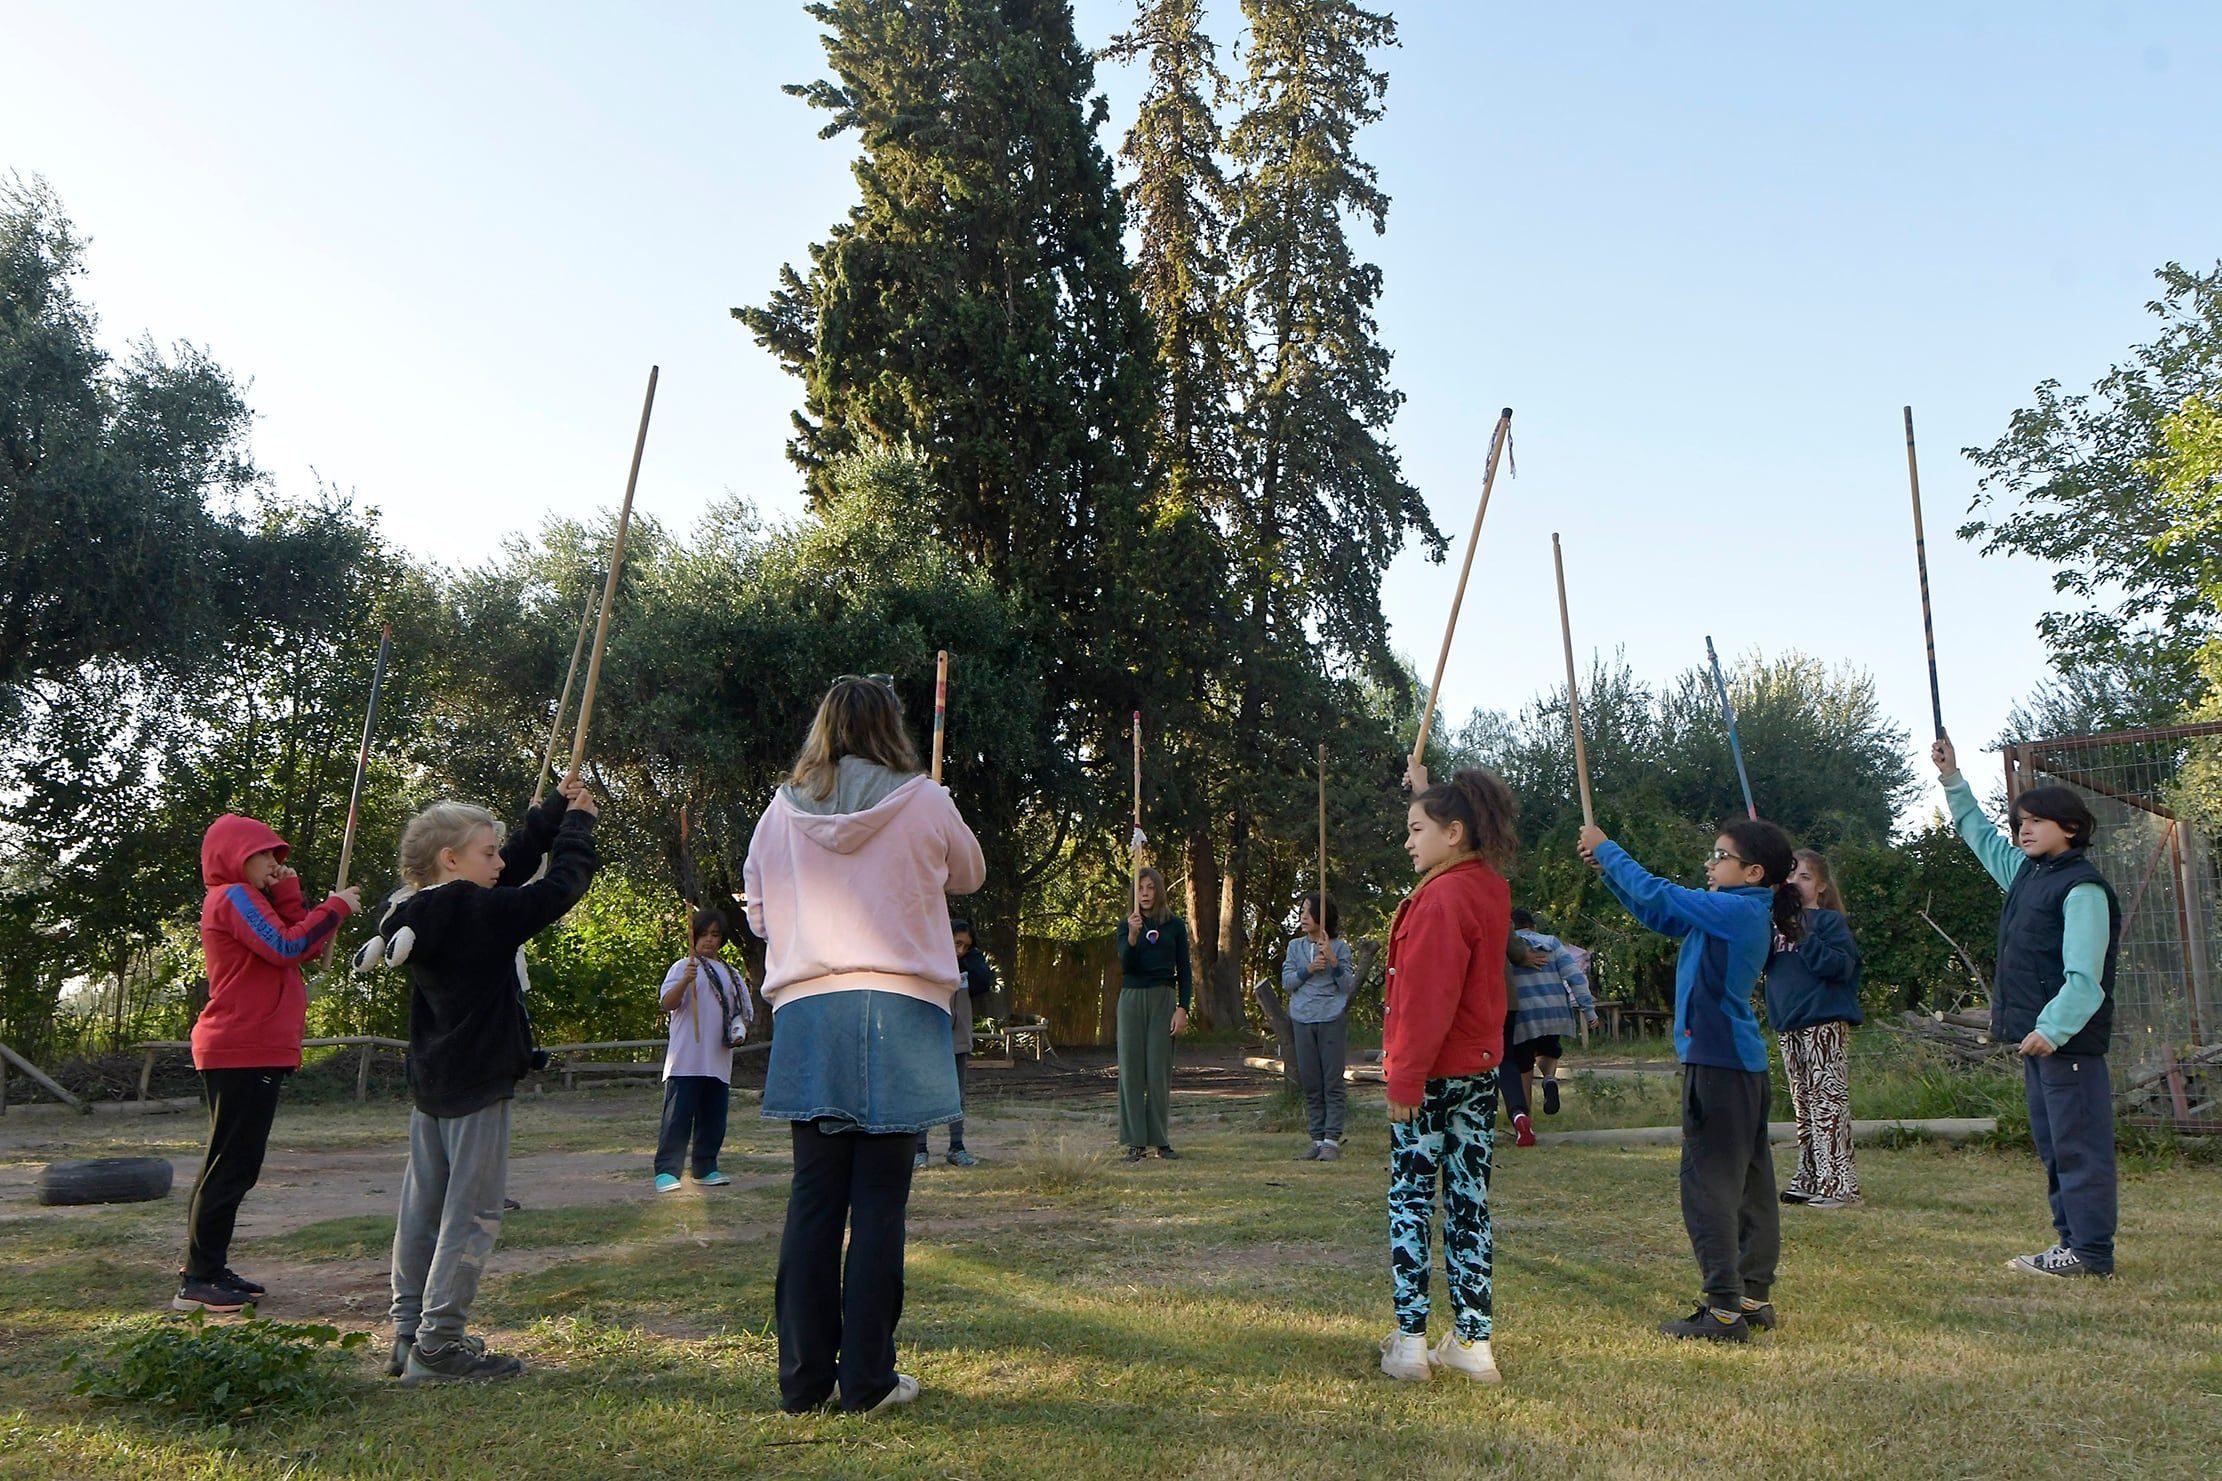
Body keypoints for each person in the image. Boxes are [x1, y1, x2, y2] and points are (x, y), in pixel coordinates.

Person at [746, 676, 985, 1414]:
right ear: (891, 728)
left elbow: (757, 915)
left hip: (811, 1009)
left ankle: (802, 1381)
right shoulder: (924, 798)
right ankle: (869, 1380)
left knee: (814, 1196)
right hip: (902, 1006)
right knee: (880, 1197)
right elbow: (970, 874)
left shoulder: (779, 811)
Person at [378, 776, 599, 1383]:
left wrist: (550, 812)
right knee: (472, 1214)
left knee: (422, 1210)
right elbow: (555, 890)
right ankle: (439, 1345)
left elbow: (510, 872)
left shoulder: (411, 908)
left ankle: (407, 1334)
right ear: (452, 860)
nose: (501, 863)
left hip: (434, 1081)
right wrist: (578, 827)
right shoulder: (478, 912)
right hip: (477, 1082)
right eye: (488, 852)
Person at [1579, 816, 1796, 1342]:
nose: (1710, 862)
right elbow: (1660, 912)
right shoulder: (1733, 910)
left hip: (1718, 1065)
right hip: (1735, 1064)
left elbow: (1661, 891)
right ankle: (1750, 1296)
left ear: (1753, 871)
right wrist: (1607, 871)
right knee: (1749, 1184)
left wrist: (1609, 849)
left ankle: (1723, 1311)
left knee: (1709, 1188)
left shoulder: (1737, 911)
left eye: (1720, 856)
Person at [1933, 736, 2120, 1279]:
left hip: (2066, 1044)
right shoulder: (2027, 876)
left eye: (2037, 820)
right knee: (2056, 1147)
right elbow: (1979, 835)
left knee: (2079, 1149)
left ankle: (2090, 1253)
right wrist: (1953, 779)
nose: (2023, 829)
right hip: (2042, 1043)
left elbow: (2085, 980)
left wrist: (2053, 1029)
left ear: (2072, 829)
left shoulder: (2083, 889)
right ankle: (2074, 1245)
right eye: (2020, 821)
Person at [174, 815, 360, 1313]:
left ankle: (205, 1265)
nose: (274, 864)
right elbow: (287, 946)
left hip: (254, 1047)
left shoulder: (249, 898)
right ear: (238, 855)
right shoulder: (232, 897)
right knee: (231, 1166)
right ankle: (200, 1276)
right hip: (241, 1046)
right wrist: (336, 907)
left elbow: (301, 942)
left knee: (232, 1163)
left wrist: (291, 890)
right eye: (266, 856)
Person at [1379, 761, 1518, 1386]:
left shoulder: (1439, 899)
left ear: (1455, 831)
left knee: (1411, 1200)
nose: (1408, 840)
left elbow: (1425, 998)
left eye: (1416, 828)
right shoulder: (1488, 887)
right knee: (1468, 1202)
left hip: (1430, 1077)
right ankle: (1473, 1341)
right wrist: (1423, 788)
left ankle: (1410, 1343)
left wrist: (1404, 1079)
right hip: (1478, 1074)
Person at [1767, 851, 1864, 1210]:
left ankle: (1840, 1184)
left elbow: (1839, 966)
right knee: (1804, 1105)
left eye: (1805, 877)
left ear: (1821, 886)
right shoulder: (1774, 924)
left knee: (1828, 1105)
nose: (1796, 882)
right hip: (1788, 1023)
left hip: (1823, 1021)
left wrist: (1801, 932)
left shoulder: (1828, 923)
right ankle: (1809, 1175)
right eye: (1790, 876)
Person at [654, 907, 751, 1192]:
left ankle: (705, 1167)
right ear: (693, 937)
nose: (709, 940)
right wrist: (686, 979)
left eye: (715, 935)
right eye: (704, 934)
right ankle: (667, 1171)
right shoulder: (683, 967)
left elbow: (743, 1013)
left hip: (718, 1059)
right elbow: (667, 1003)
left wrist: (740, 1029)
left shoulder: (731, 974)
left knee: (713, 1119)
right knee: (678, 1118)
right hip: (686, 1059)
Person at [1117, 866, 1192, 1161]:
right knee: (1132, 1070)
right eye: (1140, 889)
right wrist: (1133, 937)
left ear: (1158, 891)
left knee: (1158, 1070)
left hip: (1163, 997)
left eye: (1150, 888)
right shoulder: (1127, 925)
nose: (1145, 894)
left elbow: (1184, 969)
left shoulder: (1174, 926)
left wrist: (1183, 1008)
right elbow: (1126, 965)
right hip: (1132, 997)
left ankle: (1160, 1139)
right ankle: (1135, 1141)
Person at [1281, 892, 1357, 1161]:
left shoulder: (1340, 947)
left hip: (1330, 1018)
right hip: (1302, 1018)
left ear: (1323, 917)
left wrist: (1333, 961)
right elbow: (1287, 982)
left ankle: (1331, 1140)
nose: (1303, 916)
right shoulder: (1295, 948)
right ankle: (1316, 1138)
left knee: (1332, 1081)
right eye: (1302, 911)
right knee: (1311, 1082)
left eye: (1309, 912)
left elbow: (1347, 986)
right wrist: (1310, 968)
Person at [1506, 907, 1599, 1119]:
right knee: (1547, 1050)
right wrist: (1589, 1011)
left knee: (1523, 1064)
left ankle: (1524, 1118)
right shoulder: (1551, 942)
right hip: (1554, 1012)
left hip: (1523, 1014)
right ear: (1533, 925)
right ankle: (1549, 1078)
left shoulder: (1508, 945)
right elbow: (1575, 977)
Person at [919, 919, 996, 1169]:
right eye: (956, 943)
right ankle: (920, 1149)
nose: (960, 950)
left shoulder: (969, 963)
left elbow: (984, 981)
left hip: (958, 1036)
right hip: (930, 1034)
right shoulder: (927, 959)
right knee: (925, 1092)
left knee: (957, 1094)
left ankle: (956, 1146)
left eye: (966, 946)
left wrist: (968, 957)